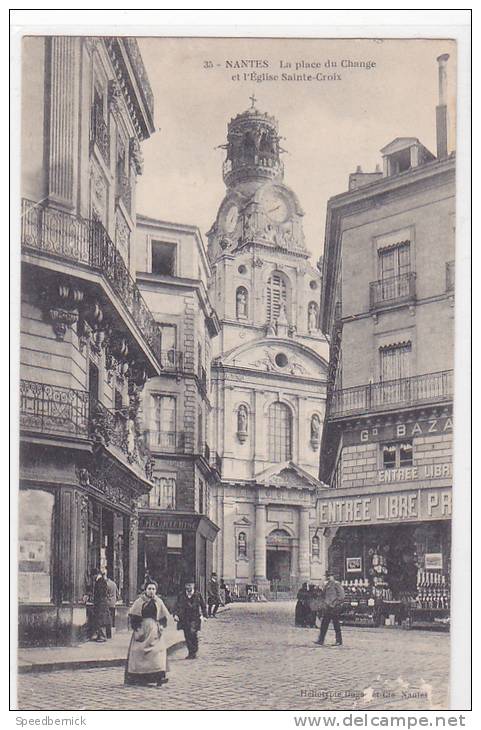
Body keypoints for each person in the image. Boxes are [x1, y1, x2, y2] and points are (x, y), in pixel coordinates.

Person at [125, 580, 170, 687]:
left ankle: (159, 676)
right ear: (145, 590)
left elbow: (164, 616)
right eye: (149, 589)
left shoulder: (158, 601)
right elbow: (133, 616)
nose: (151, 591)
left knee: (157, 652)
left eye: (153, 589)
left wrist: (162, 626)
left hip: (155, 629)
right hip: (142, 629)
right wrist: (137, 628)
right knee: (139, 652)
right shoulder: (140, 601)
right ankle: (138, 677)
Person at [174, 579, 207, 659]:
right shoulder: (181, 595)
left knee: (193, 633)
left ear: (193, 585)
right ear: (185, 586)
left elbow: (203, 605)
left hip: (195, 618)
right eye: (187, 585)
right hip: (184, 618)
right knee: (187, 635)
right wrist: (175, 614)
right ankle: (191, 652)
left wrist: (205, 615)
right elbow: (176, 605)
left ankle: (194, 650)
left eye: (191, 585)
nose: (189, 586)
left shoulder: (197, 595)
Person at [314, 572, 345, 647]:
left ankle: (339, 641)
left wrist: (334, 604)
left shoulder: (336, 584)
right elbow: (323, 595)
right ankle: (321, 640)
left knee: (336, 624)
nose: (328, 578)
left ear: (333, 576)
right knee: (324, 624)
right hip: (327, 607)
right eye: (327, 576)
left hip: (334, 608)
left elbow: (341, 596)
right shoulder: (327, 585)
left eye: (329, 576)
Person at [92, 568, 111, 643]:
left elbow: (100, 593)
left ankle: (102, 636)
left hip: (101, 603)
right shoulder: (102, 580)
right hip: (102, 603)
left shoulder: (100, 581)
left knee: (101, 620)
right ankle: (101, 636)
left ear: (95, 575)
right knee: (101, 620)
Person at [103, 569, 118, 639]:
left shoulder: (106, 584)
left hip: (108, 603)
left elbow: (105, 594)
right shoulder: (114, 584)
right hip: (113, 603)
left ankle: (108, 634)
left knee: (107, 619)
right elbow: (117, 594)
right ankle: (112, 632)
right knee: (112, 618)